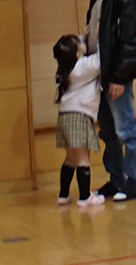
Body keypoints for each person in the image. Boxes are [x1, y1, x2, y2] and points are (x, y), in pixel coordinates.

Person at [85, 0, 136, 201]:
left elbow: (132, 41)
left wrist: (120, 77)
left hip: (115, 75)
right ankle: (116, 179)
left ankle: (135, 182)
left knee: (125, 129)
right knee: (108, 131)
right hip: (100, 72)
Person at [53, 34, 104, 208]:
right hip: (79, 116)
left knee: (70, 158)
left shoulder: (64, 68)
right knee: (83, 158)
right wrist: (100, 35)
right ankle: (85, 197)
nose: (82, 42)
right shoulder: (82, 66)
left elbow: (77, 45)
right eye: (79, 42)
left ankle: (63, 194)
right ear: (76, 52)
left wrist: (84, 33)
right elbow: (99, 60)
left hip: (65, 116)